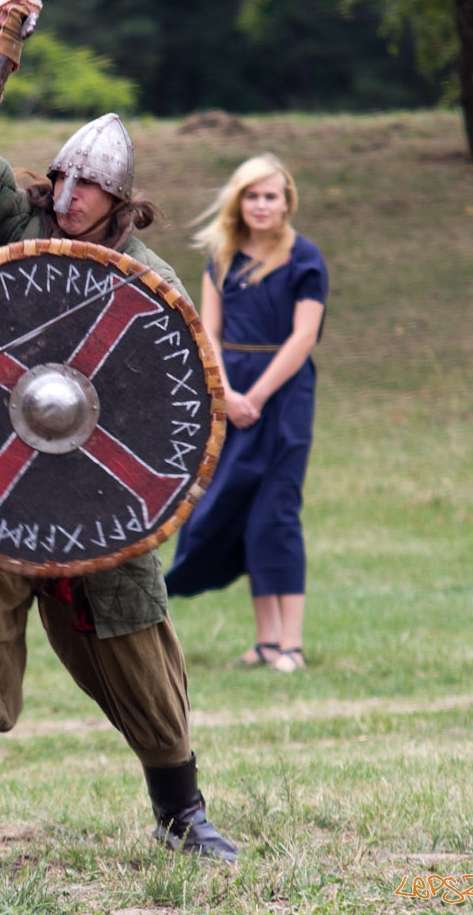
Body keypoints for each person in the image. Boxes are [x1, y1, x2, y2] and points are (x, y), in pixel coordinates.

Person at [0, 0, 239, 873]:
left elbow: (166, 410)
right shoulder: (15, 224)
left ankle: (180, 811)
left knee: (137, 644)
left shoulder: (150, 280)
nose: (74, 193)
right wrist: (4, 40)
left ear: (123, 199)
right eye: (68, 176)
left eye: (93, 184)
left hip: (96, 490)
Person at [164, 155, 327, 675]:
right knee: (239, 511)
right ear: (239, 201)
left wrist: (256, 395)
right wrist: (228, 394)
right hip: (228, 397)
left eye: (271, 196)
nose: (261, 205)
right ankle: (265, 642)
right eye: (252, 195)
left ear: (287, 201)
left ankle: (292, 646)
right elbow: (207, 330)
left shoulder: (305, 259)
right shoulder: (222, 256)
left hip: (283, 400)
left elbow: (304, 336)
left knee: (275, 516)